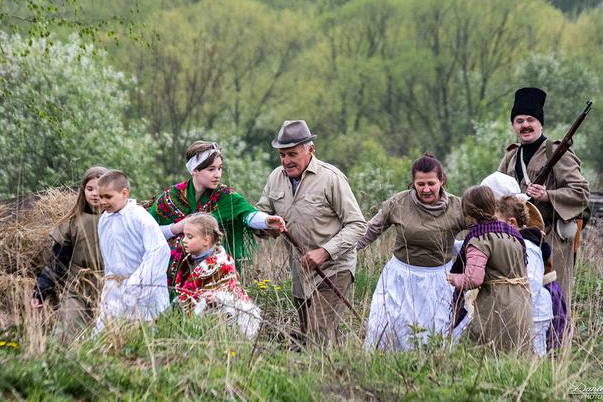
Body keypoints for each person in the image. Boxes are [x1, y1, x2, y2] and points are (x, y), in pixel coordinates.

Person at [256, 120, 367, 346]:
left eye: (292, 154)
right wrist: (266, 227)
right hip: (301, 272)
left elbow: (357, 225)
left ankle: (331, 375)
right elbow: (261, 214)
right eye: (282, 155)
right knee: (313, 337)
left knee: (318, 334)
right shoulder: (275, 178)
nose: (286, 161)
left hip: (334, 269)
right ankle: (340, 371)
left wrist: (324, 253)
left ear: (311, 150)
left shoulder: (331, 178)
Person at [356, 153, 469, 350]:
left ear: (442, 180)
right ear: (413, 183)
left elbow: (480, 234)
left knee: (431, 334)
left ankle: (429, 372)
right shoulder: (398, 202)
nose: (426, 189)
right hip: (399, 278)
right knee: (384, 327)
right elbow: (371, 231)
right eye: (420, 184)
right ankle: (384, 370)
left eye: (431, 183)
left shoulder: (458, 207)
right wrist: (338, 252)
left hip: (438, 281)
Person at [148, 140, 286, 295]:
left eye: (220, 168)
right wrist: (177, 228)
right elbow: (147, 231)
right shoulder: (171, 197)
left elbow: (246, 214)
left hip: (215, 274)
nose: (217, 174)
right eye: (211, 169)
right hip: (169, 277)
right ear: (195, 170)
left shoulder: (224, 196)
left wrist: (267, 220)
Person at [498, 87, 589, 303]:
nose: (525, 125)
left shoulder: (556, 153)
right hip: (516, 241)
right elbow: (496, 193)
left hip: (551, 240)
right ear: (513, 125)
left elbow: (581, 192)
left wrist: (548, 195)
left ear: (541, 123)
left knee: (554, 302)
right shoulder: (511, 156)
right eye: (519, 120)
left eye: (531, 119)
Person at [448, 186, 532, 352]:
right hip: (522, 300)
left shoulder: (480, 239)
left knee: (484, 352)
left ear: (469, 213)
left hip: (497, 304)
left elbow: (473, 278)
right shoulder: (513, 234)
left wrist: (453, 279)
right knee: (517, 353)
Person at [31, 166, 108, 339]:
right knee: (65, 336)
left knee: (102, 340)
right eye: (90, 189)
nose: (95, 194)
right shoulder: (73, 222)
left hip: (109, 289)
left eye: (100, 189)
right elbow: (57, 261)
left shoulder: (119, 220)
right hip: (77, 289)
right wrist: (41, 290)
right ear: (83, 191)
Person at [94, 170, 171, 333]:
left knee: (144, 333)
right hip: (114, 288)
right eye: (100, 197)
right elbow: (108, 258)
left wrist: (137, 284)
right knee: (107, 332)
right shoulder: (104, 221)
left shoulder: (139, 217)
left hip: (143, 290)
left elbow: (159, 251)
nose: (103, 201)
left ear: (124, 193)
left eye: (108, 197)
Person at [175, 213, 261, 339]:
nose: (184, 240)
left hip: (220, 326)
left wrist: (218, 299)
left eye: (190, 237)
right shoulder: (187, 262)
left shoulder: (222, 265)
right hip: (194, 324)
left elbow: (233, 293)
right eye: (184, 236)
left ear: (206, 240)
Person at [495, 195, 553, 357]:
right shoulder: (513, 243)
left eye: (497, 223)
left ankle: (535, 378)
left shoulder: (528, 246)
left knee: (534, 352)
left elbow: (532, 283)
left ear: (512, 223)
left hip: (533, 313)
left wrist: (516, 309)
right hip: (519, 310)